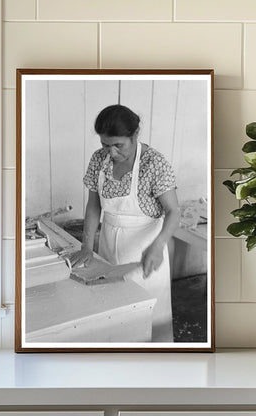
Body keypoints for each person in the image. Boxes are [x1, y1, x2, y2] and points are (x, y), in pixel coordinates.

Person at [70, 104, 180, 342]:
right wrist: (87, 246)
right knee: (112, 316)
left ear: (135, 134)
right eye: (105, 145)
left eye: (118, 145)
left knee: (147, 320)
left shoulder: (154, 163)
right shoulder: (99, 160)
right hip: (108, 247)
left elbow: (173, 211)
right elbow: (93, 205)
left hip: (146, 252)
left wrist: (158, 245)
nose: (111, 152)